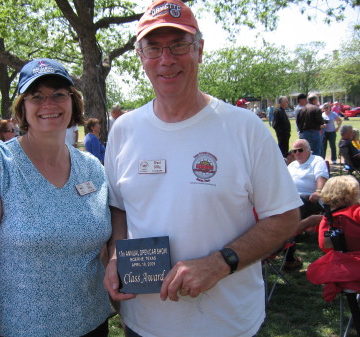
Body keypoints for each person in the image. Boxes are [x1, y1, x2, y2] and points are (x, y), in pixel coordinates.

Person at [103, 1, 302, 336]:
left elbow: (285, 217)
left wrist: (220, 263)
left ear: (199, 50)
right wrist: (114, 257)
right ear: (140, 56)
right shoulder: (124, 130)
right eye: (153, 48)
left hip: (227, 324)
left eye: (179, 45)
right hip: (144, 324)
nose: (166, 59)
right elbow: (119, 209)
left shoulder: (245, 128)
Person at [0, 58, 112, 337]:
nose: (49, 104)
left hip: (94, 323)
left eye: (59, 95)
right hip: (23, 329)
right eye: (36, 96)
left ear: (73, 103)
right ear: (22, 109)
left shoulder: (92, 168)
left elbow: (103, 246)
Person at [286, 139, 329, 269]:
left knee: (298, 203)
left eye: (300, 150)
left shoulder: (317, 161)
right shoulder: (292, 166)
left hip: (311, 198)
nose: (297, 153)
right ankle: (287, 239)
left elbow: (321, 177)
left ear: (308, 150)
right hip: (292, 198)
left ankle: (289, 240)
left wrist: (318, 191)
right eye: (294, 151)